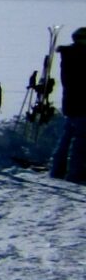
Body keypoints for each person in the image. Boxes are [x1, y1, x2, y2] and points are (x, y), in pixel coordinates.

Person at [52, 27, 86, 183]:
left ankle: (57, 170)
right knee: (81, 140)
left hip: (70, 103)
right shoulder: (80, 56)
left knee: (67, 137)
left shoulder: (69, 55)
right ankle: (75, 173)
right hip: (82, 105)